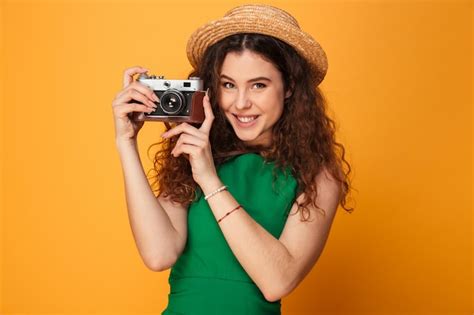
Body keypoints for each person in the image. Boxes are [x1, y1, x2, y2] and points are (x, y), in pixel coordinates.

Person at [112, 4, 354, 315]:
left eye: (258, 85)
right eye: (228, 85)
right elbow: (159, 254)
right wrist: (126, 142)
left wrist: (210, 179)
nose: (240, 103)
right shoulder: (195, 150)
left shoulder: (317, 176)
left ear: (290, 87)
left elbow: (277, 280)